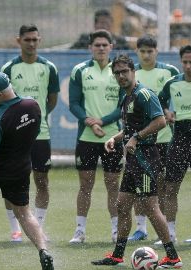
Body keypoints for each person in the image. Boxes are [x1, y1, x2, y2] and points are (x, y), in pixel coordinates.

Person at [91, 54, 182, 269]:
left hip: (145, 159)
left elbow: (160, 121)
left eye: (124, 71)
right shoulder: (128, 96)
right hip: (133, 160)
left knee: (151, 207)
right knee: (122, 205)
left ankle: (173, 257)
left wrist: (136, 137)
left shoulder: (144, 94)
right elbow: (133, 127)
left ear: (133, 71)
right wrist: (117, 137)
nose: (121, 76)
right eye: (117, 73)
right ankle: (117, 255)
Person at [0, 72, 54, 270]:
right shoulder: (33, 105)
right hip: (20, 169)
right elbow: (36, 132)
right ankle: (43, 250)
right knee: (24, 213)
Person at [1, 24, 60, 241]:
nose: (32, 43)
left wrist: (36, 118)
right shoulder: (9, 68)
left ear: (39, 40)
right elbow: (3, 102)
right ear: (19, 41)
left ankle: (39, 227)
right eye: (27, 40)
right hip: (15, 137)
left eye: (35, 39)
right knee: (12, 181)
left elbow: (51, 100)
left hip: (40, 134)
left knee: (42, 181)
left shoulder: (49, 67)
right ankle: (15, 229)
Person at [69, 30, 124, 244]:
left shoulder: (119, 70)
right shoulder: (80, 70)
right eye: (97, 45)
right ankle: (80, 231)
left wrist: (101, 122)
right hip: (86, 137)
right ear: (90, 47)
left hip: (113, 138)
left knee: (113, 185)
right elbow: (73, 103)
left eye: (104, 45)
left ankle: (116, 231)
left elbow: (122, 106)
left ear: (111, 46)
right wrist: (89, 122)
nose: (101, 48)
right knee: (85, 185)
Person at [128, 35, 179, 242]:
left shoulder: (169, 72)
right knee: (141, 185)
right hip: (141, 141)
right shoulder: (133, 74)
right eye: (143, 51)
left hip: (165, 139)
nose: (147, 55)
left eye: (150, 51)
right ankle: (140, 228)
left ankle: (166, 231)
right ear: (137, 52)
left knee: (164, 186)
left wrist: (169, 111)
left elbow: (172, 99)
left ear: (157, 51)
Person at [158, 45, 191, 244]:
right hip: (180, 139)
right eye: (185, 62)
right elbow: (160, 101)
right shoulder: (173, 83)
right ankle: (170, 233)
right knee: (170, 187)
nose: (188, 66)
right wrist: (167, 111)